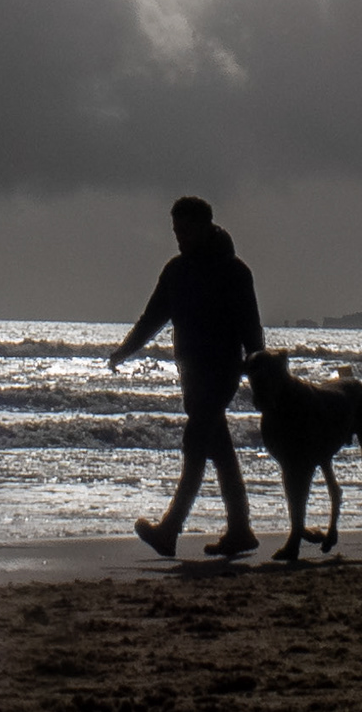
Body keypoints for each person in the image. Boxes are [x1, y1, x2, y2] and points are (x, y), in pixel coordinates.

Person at [107, 194, 265, 559]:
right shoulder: (176, 271)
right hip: (190, 373)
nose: (179, 236)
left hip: (222, 372)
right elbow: (153, 318)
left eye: (185, 230)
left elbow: (251, 330)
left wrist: (260, 378)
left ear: (206, 227)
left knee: (195, 445)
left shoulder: (234, 271)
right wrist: (124, 351)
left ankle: (169, 529)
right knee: (220, 449)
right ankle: (241, 528)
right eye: (175, 230)